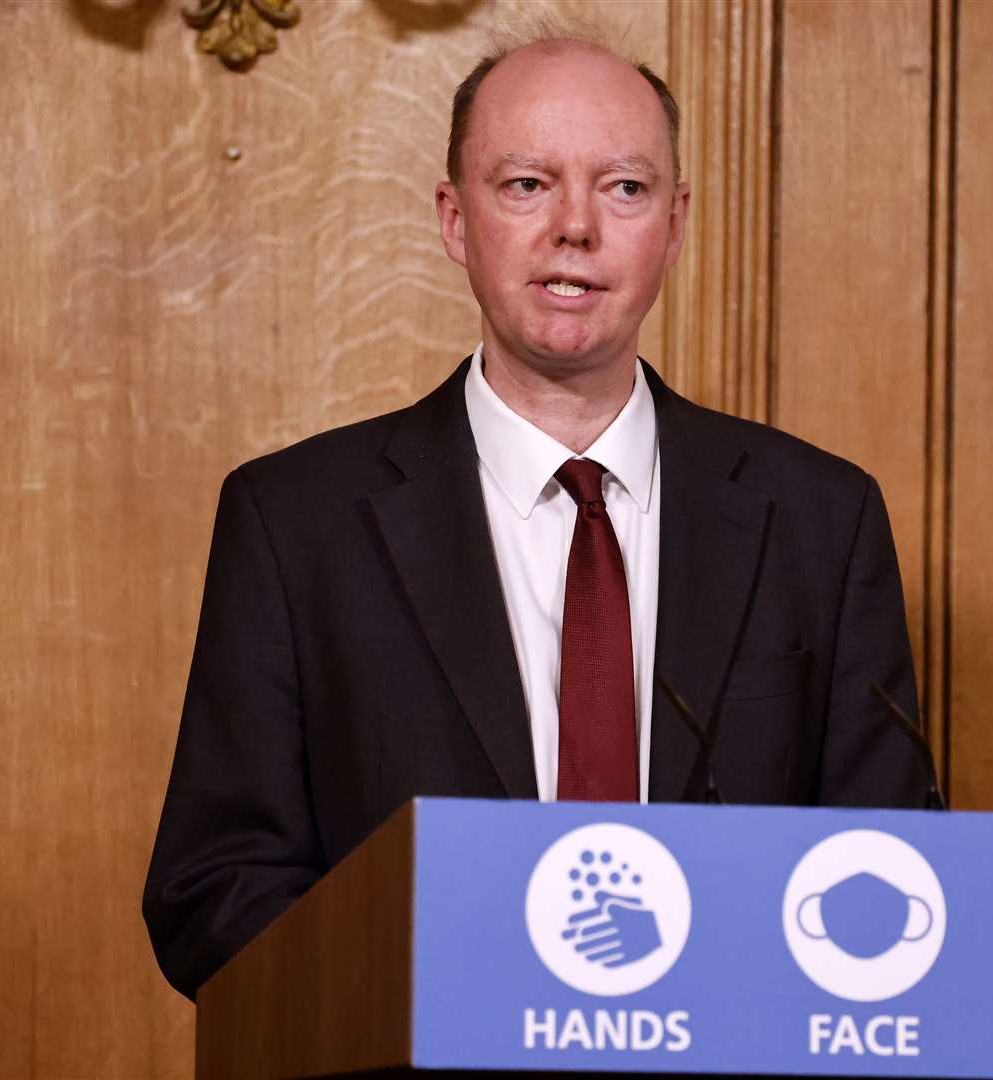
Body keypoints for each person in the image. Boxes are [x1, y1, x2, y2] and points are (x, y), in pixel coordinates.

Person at [142, 26, 933, 1002]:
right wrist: (453, 1002)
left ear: (675, 225)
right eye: (526, 185)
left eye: (624, 188)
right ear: (454, 219)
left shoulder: (819, 519)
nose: (574, 227)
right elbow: (210, 890)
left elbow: (890, 871)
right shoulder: (296, 523)